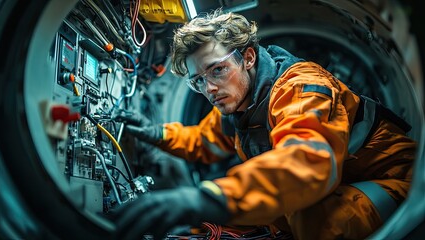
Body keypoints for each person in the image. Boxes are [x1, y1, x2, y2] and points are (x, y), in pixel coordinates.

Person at [110, 9, 417, 240]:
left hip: (396, 182)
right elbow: (202, 141)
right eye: (198, 81)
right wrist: (155, 133)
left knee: (319, 223)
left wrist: (208, 197)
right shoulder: (236, 107)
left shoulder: (301, 87)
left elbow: (305, 165)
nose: (209, 89)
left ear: (249, 57)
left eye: (217, 70)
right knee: (200, 228)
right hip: (328, 189)